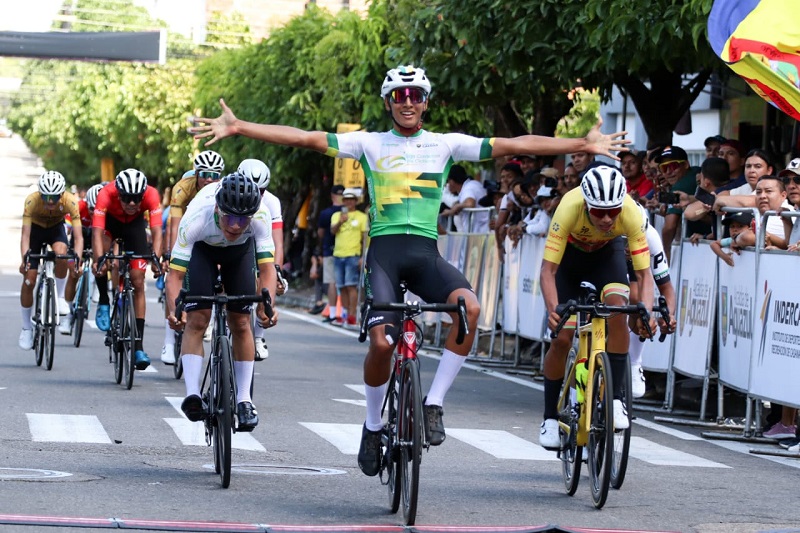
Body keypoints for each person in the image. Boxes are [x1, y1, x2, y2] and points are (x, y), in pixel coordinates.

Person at [190, 64, 629, 476]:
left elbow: (515, 145)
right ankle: (372, 425)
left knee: (470, 309)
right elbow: (304, 137)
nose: (407, 101)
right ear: (388, 101)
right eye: (399, 95)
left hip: (424, 255)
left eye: (415, 95)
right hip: (383, 254)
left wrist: (582, 145)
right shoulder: (369, 143)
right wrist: (240, 127)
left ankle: (433, 403)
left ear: (425, 101)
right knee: (382, 343)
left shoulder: (445, 144)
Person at [539, 165, 655, 449]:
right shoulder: (568, 207)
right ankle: (550, 418)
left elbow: (644, 275)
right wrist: (554, 310)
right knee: (563, 337)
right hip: (569, 261)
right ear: (586, 203)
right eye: (599, 212)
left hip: (606, 256)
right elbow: (547, 271)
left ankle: (615, 400)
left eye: (612, 212)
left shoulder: (630, 212)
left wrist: (647, 312)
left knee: (617, 309)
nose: (606, 219)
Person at [166, 173, 277, 431]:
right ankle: (193, 394)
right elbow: (175, 275)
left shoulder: (260, 217)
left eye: (242, 219)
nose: (236, 226)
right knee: (197, 319)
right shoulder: (196, 218)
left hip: (239, 253)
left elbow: (267, 270)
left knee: (240, 321)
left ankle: (244, 400)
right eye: (229, 217)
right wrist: (174, 310)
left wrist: (267, 304)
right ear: (217, 208)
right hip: (202, 251)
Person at [92, 169, 162, 370]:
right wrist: (99, 259)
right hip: (110, 225)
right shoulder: (105, 193)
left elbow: (157, 231)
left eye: (136, 199)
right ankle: (104, 300)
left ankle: (138, 346)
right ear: (118, 193)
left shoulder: (151, 194)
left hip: (134, 226)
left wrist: (155, 259)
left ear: (143, 195)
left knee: (138, 280)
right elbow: (96, 232)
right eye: (126, 198)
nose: (132, 204)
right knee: (101, 259)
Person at [161, 152, 225, 364]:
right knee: (174, 280)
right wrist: (170, 254)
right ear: (196, 174)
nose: (209, 179)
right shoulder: (183, 188)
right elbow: (175, 225)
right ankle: (169, 342)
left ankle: (214, 319)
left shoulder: (223, 189)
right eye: (204, 174)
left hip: (210, 232)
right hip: (187, 232)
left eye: (214, 175)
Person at [18, 171, 83, 350]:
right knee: (29, 279)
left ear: (61, 194)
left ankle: (60, 296)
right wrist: (25, 259)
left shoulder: (70, 201)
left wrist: (77, 258)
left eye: (54, 197)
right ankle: (26, 328)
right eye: (46, 197)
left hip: (55, 229)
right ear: (40, 194)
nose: (50, 202)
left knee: (61, 254)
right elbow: (25, 235)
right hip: (36, 232)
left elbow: (78, 238)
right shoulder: (32, 201)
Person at [238, 158, 284, 360]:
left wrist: (278, 272)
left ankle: (258, 335)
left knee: (265, 281)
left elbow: (277, 243)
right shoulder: (225, 193)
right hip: (233, 239)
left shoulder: (272, 203)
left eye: (261, 190)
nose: (256, 195)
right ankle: (215, 319)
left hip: (260, 239)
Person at [61, 181, 100, 335]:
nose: (93, 214)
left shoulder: (107, 212)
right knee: (74, 273)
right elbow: (67, 228)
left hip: (98, 239)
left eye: (97, 211)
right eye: (91, 209)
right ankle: (69, 313)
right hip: (79, 240)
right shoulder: (79, 207)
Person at [330, 188, 368, 327]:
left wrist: (363, 257)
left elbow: (365, 238)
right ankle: (345, 314)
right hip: (338, 254)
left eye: (352, 199)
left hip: (353, 255)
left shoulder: (362, 217)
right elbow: (333, 231)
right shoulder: (336, 215)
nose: (349, 202)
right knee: (341, 286)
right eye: (346, 200)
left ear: (356, 201)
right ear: (343, 201)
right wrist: (340, 221)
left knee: (351, 286)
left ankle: (352, 315)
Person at [315, 184, 344, 322]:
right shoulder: (348, 213)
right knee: (342, 282)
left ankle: (334, 313)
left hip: (332, 250)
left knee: (333, 281)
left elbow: (320, 233)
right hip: (340, 250)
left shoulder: (326, 213)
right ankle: (341, 313)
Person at [441, 164, 489, 233]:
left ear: (452, 181)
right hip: (482, 231)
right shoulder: (471, 185)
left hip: (480, 233)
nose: (446, 184)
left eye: (447, 181)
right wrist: (457, 204)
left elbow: (470, 203)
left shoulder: (468, 188)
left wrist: (452, 210)